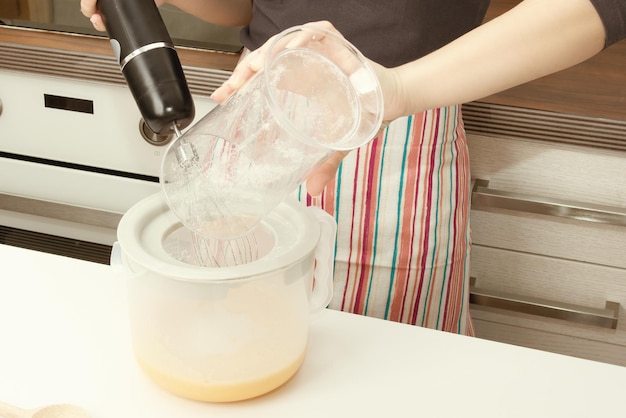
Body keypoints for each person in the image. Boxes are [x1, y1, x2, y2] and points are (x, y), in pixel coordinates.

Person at [82, 0, 626, 336]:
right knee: (240, 338)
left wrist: (394, 90)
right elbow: (253, 6)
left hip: (394, 134)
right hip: (256, 119)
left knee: (382, 374)